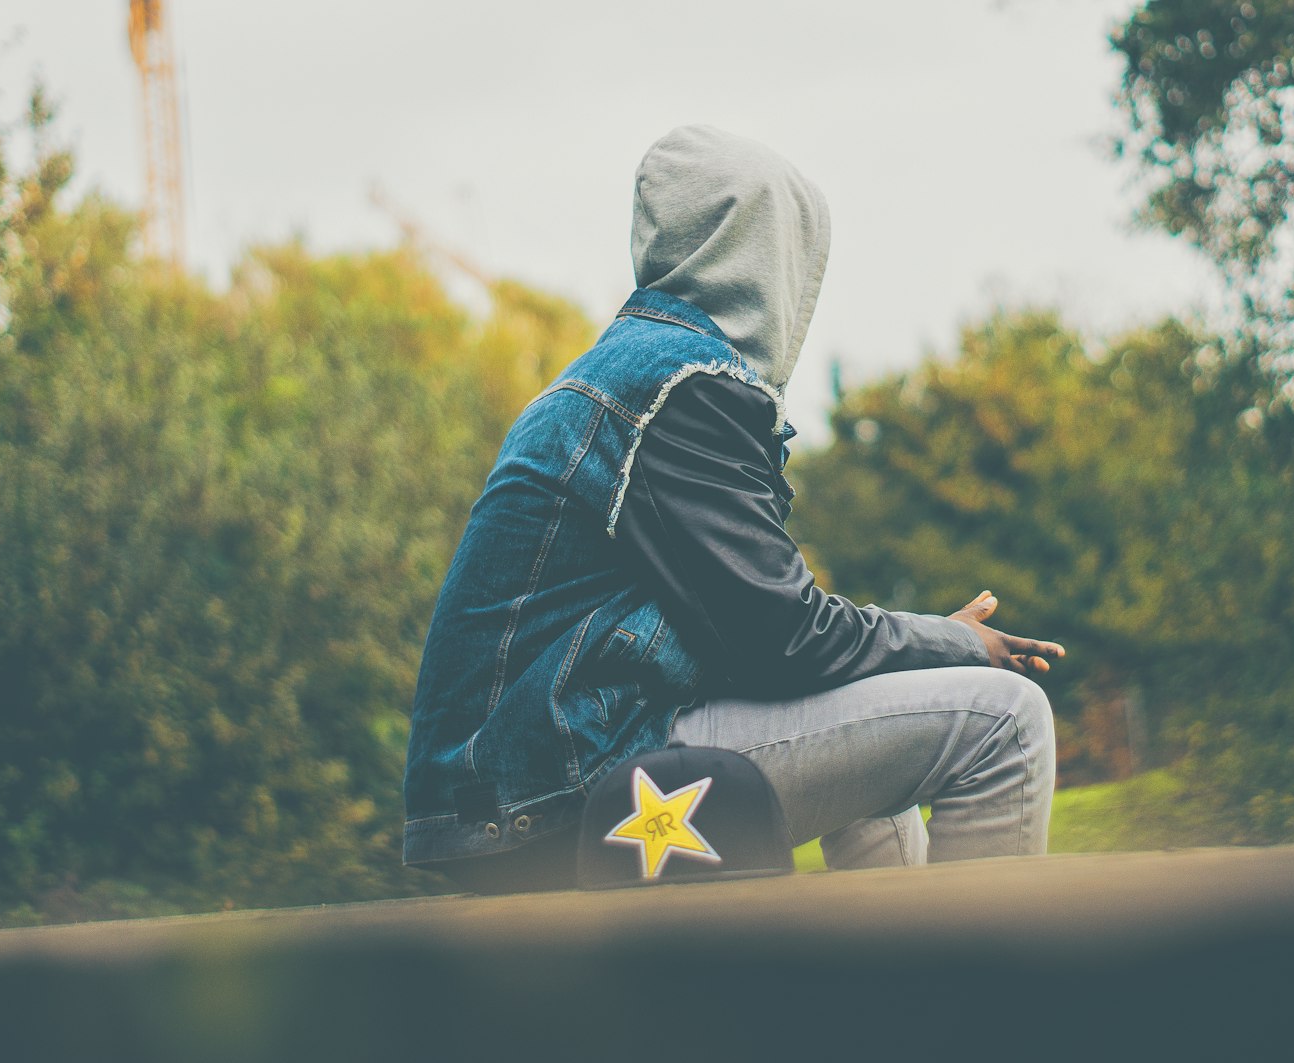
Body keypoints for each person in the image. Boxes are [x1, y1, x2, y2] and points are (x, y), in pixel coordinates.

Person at [402, 125, 1064, 893]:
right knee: (1007, 722)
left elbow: (758, 638)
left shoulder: (621, 375)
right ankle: (979, 1007)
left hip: (521, 785)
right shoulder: (684, 388)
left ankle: (896, 988)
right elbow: (786, 636)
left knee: (867, 705)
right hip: (571, 785)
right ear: (767, 253)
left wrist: (908, 655)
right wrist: (950, 644)